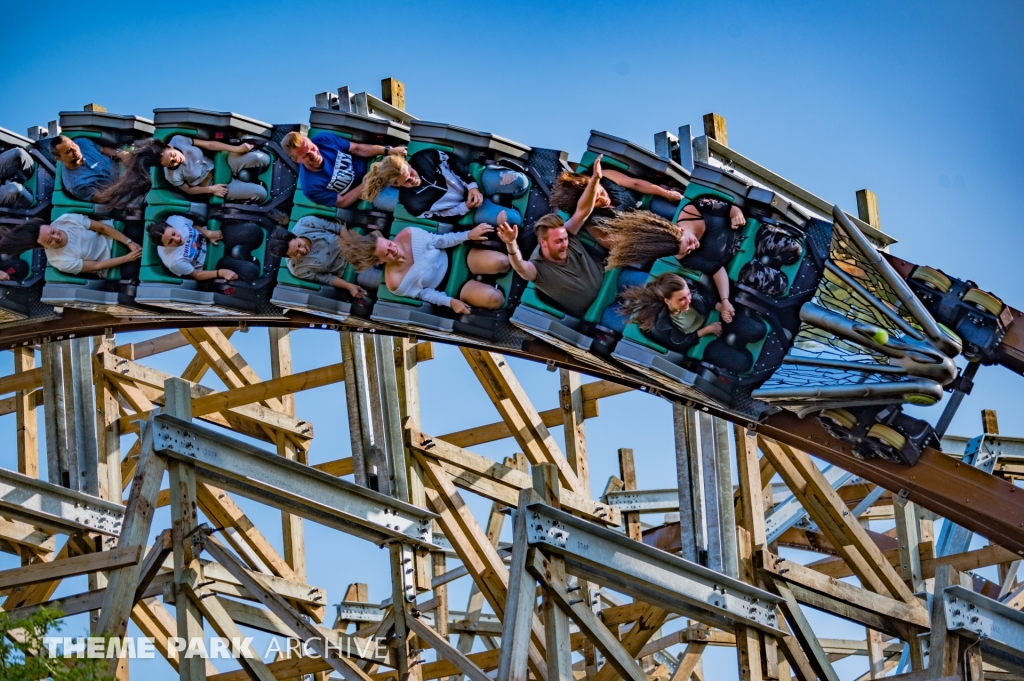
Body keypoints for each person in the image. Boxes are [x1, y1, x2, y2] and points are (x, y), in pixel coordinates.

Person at [600, 198, 747, 323]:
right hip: (744, 263)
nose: (694, 246)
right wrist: (725, 300)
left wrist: (737, 214)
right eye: (688, 250)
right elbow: (716, 269)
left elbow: (731, 207)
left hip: (748, 231)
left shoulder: (696, 209)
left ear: (680, 230)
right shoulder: (684, 258)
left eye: (689, 242)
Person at [338, 217, 511, 314]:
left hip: (456, 259)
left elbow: (441, 241)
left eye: (389, 245)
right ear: (379, 261)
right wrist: (450, 302)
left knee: (502, 263)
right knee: (494, 299)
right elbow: (425, 294)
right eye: (387, 254)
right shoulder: (395, 283)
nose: (393, 250)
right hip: (452, 287)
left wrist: (468, 235)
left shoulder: (408, 234)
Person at [95, 136, 269, 210]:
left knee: (262, 158)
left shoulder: (179, 140)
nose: (175, 160)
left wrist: (237, 148)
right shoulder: (171, 175)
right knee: (260, 193)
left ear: (170, 147)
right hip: (213, 184)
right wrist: (211, 190)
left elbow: (209, 145)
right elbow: (188, 190)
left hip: (221, 164)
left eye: (173, 156)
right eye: (171, 162)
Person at [360, 148, 528, 224]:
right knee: (514, 220)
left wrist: (472, 186)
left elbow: (454, 163)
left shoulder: (424, 157)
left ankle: (503, 195)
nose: (412, 179)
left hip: (475, 180)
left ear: (408, 164)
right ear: (397, 186)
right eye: (406, 181)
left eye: (409, 172)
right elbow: (444, 215)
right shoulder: (413, 205)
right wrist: (465, 207)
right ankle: (502, 204)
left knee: (519, 182)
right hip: (471, 210)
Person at [549, 157, 684, 245]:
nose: (603, 199)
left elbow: (636, 184)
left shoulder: (607, 176)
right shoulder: (591, 221)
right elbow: (608, 241)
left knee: (675, 211)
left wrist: (667, 194)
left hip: (646, 204)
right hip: (641, 229)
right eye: (596, 201)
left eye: (600, 192)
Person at [281, 130, 405, 209]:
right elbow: (342, 202)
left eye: (312, 148)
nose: (313, 154)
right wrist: (368, 181)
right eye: (306, 155)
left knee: (404, 158)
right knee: (400, 201)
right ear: (296, 160)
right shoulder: (310, 187)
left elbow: (357, 148)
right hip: (370, 192)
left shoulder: (323, 139)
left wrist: (388, 150)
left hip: (374, 165)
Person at [0, 213, 142, 279]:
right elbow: (96, 266)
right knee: (135, 269)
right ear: (44, 248)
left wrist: (129, 242)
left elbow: (103, 228)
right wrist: (128, 258)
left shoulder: (66, 220)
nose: (57, 237)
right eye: (50, 241)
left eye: (53, 232)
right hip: (111, 261)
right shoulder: (59, 262)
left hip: (113, 237)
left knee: (137, 230)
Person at [617, 273, 723, 354]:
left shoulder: (685, 286)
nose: (688, 300)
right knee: (620, 282)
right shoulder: (660, 326)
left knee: (625, 278)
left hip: (708, 317)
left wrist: (721, 306)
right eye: (682, 299)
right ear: (667, 301)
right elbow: (680, 343)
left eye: (688, 294)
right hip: (640, 319)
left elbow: (705, 298)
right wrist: (708, 329)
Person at [266, 216, 367, 299]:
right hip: (351, 268)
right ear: (289, 257)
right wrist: (349, 286)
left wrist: (356, 250)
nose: (303, 250)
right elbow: (327, 279)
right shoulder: (297, 269)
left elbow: (340, 228)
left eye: (299, 245)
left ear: (296, 235)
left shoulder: (306, 223)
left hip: (353, 244)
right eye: (295, 253)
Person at [148, 215, 264, 283]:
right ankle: (244, 256)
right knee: (251, 272)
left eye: (174, 233)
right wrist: (220, 273)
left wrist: (207, 233)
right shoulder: (174, 262)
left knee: (253, 230)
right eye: (170, 241)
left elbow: (192, 226)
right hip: (212, 262)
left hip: (212, 239)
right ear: (164, 246)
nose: (176, 239)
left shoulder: (174, 220)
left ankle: (246, 251)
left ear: (172, 226)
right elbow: (196, 275)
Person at [50, 135, 126, 203]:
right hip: (123, 192)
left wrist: (120, 153)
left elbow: (103, 149)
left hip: (125, 166)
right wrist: (124, 182)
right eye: (69, 151)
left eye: (73, 145)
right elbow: (101, 197)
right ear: (59, 158)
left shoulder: (81, 142)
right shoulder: (76, 185)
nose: (75, 150)